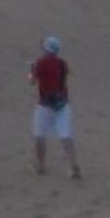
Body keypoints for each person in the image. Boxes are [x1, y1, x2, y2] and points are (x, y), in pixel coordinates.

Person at [28, 36, 83, 179]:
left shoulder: (40, 63)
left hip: (45, 105)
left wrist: (32, 70)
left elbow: (32, 81)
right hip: (62, 104)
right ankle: (74, 165)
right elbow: (67, 74)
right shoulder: (62, 63)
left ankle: (41, 166)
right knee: (66, 136)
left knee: (39, 135)